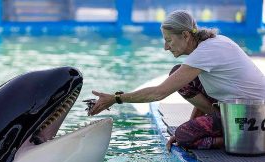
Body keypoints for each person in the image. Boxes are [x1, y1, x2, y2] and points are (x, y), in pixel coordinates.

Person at [88, 10, 265, 152]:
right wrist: (192, 124)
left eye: (169, 40)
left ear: (186, 35)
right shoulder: (211, 44)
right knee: (179, 77)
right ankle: (221, 126)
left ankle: (231, 139)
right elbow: (200, 88)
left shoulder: (205, 52)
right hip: (239, 108)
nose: (166, 47)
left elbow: (159, 93)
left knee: (184, 137)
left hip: (252, 118)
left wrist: (115, 98)